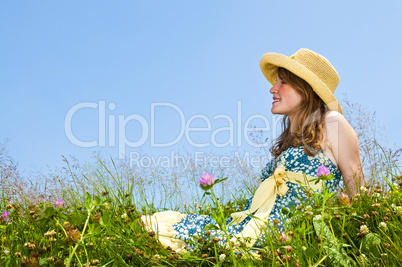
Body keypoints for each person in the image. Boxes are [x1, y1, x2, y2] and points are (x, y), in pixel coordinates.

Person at [140, 48, 365, 253]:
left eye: (283, 82)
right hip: (255, 224)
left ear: (306, 89)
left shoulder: (333, 122)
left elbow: (358, 191)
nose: (273, 88)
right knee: (156, 225)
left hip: (288, 235)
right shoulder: (289, 141)